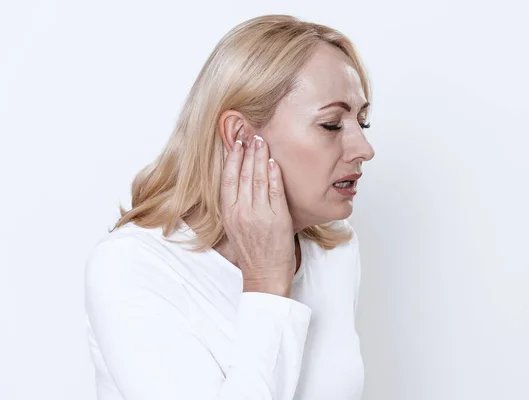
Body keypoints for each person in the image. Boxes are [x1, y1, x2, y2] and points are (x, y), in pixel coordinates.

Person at [84, 14, 375, 400]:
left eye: (363, 123)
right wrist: (267, 281)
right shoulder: (132, 268)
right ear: (240, 135)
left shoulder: (334, 249)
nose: (364, 150)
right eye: (332, 125)